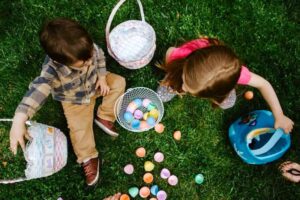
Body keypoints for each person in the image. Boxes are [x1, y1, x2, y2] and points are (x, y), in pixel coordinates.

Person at [9, 18, 126, 186]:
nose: (88, 62)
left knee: (119, 82)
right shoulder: (52, 71)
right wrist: (19, 118)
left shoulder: (87, 49)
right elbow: (37, 91)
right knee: (79, 129)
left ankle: (104, 116)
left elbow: (99, 56)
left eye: (89, 57)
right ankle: (88, 156)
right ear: (59, 61)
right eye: (83, 63)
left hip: (96, 84)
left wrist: (101, 77)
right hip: (74, 100)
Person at [156, 37, 293, 133]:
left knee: (228, 103)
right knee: (165, 91)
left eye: (188, 88)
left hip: (218, 82)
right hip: (185, 65)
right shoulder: (181, 56)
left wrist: (279, 115)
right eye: (185, 81)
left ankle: (219, 90)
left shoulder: (237, 74)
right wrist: (175, 73)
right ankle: (177, 78)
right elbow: (170, 51)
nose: (184, 89)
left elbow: (264, 84)